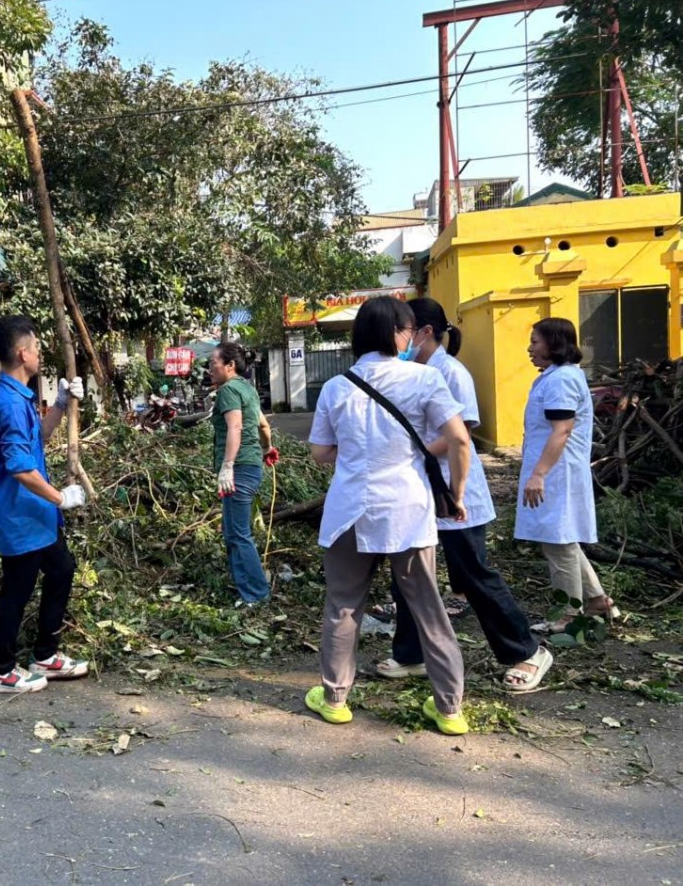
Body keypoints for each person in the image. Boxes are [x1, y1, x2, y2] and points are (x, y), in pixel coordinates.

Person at [306, 297, 473, 735]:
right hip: (408, 512)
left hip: (349, 512)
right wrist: (455, 494)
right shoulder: (424, 379)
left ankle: (335, 699)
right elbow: (458, 440)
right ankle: (450, 709)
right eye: (409, 329)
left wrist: (361, 454)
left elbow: (321, 453)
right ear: (400, 332)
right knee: (429, 610)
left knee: (343, 605)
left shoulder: (335, 388)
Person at [376, 298, 553, 692]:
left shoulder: (451, 372)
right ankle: (411, 654)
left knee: (471, 575)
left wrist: (406, 451)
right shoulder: (410, 371)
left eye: (401, 330)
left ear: (422, 332)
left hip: (456, 492)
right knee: (409, 572)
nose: (397, 339)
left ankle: (526, 651)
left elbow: (462, 431)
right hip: (421, 490)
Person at [0, 315, 90, 694]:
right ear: (22, 353)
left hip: (38, 516)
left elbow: (36, 441)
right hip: (20, 516)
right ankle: (1, 670)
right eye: (38, 348)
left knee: (62, 569)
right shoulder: (7, 404)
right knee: (17, 590)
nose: (41, 354)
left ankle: (45, 655)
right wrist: (62, 496)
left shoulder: (19, 396)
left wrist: (60, 404)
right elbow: (20, 468)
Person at [516, 317, 617, 631]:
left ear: (554, 344)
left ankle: (569, 615)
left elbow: (562, 430)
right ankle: (597, 600)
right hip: (554, 470)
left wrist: (539, 474)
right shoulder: (556, 376)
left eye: (535, 341)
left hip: (556, 472)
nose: (529, 348)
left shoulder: (561, 380)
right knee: (562, 538)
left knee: (558, 541)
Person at [209, 342, 277, 606]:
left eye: (213, 363)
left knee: (238, 533)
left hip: (238, 468)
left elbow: (235, 428)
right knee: (231, 530)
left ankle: (256, 594)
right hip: (250, 466)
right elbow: (263, 424)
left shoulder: (228, 391)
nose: (209, 369)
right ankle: (247, 588)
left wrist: (227, 465)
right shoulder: (247, 389)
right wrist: (267, 448)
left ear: (230, 365)